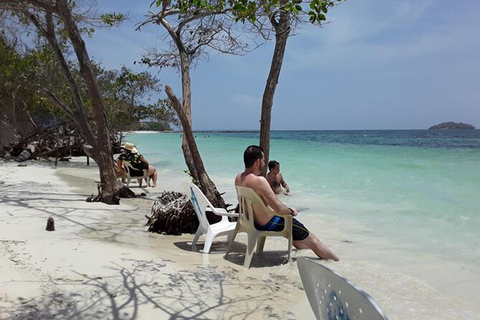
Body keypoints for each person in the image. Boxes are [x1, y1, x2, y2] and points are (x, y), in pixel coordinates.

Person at [235, 145, 339, 261]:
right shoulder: (260, 181)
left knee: (299, 235)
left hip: (254, 221)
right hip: (268, 223)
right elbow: (279, 209)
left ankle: (306, 247)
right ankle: (336, 262)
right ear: (257, 162)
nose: (264, 163)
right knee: (313, 239)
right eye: (264, 160)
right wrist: (291, 211)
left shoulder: (239, 178)